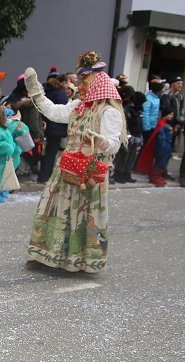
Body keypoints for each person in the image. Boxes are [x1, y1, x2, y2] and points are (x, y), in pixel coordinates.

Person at [24, 51, 125, 273]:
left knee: (81, 215)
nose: (79, 85)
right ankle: (44, 255)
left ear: (98, 82)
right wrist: (36, 93)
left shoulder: (109, 111)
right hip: (68, 166)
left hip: (89, 172)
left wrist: (101, 141)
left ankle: (76, 260)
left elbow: (114, 144)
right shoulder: (79, 106)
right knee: (53, 209)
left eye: (84, 81)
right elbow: (55, 112)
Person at [37, 68, 70, 183]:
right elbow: (64, 110)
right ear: (64, 82)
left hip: (48, 125)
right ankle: (45, 176)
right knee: (51, 152)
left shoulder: (48, 91)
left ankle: (42, 175)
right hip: (56, 127)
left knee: (47, 152)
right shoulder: (60, 92)